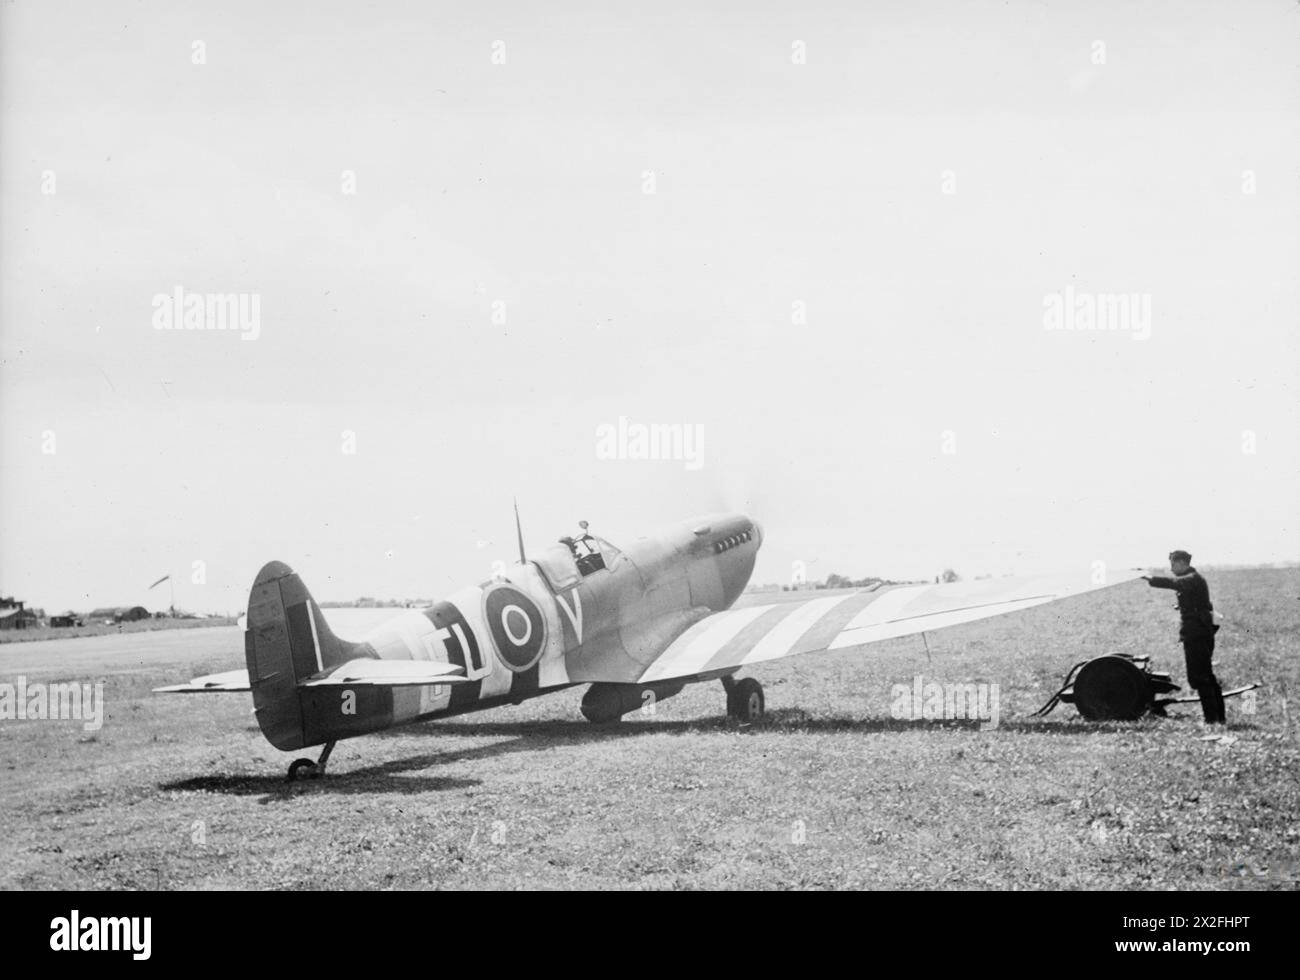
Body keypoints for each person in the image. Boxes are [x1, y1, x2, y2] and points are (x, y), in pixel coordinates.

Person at [1142, 550, 1224, 726]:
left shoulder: (1192, 578)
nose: (1171, 568)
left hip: (1197, 634)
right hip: (1199, 632)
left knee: (1200, 677)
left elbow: (1174, 583)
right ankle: (1217, 718)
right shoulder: (1193, 579)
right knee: (1205, 676)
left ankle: (1212, 720)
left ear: (1182, 563)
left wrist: (1149, 578)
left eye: (1173, 564)